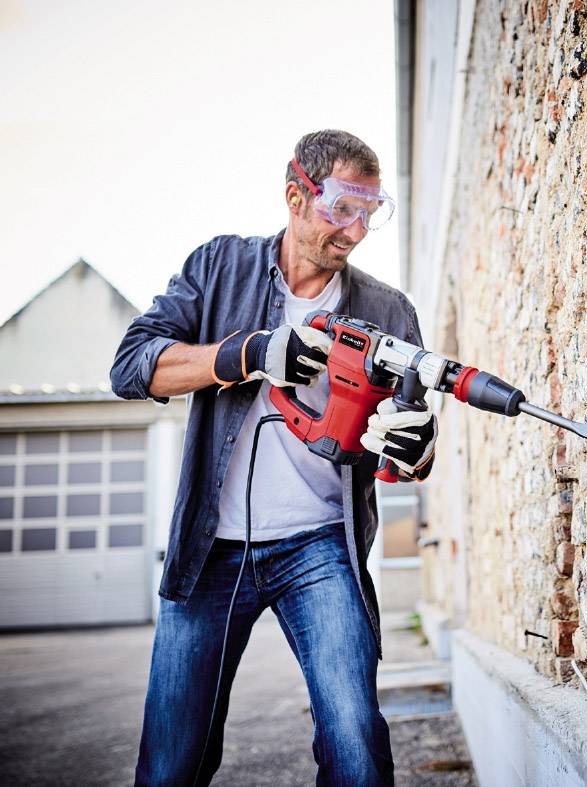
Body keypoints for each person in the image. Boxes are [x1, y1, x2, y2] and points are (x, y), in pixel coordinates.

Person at [111, 129, 435, 786]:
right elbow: (131, 367)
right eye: (342, 209)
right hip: (210, 549)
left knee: (356, 743)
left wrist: (416, 448)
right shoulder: (218, 267)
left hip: (320, 547)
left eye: (370, 213)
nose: (356, 231)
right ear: (295, 195)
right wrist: (247, 354)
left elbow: (408, 452)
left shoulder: (388, 310)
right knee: (172, 764)